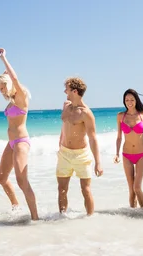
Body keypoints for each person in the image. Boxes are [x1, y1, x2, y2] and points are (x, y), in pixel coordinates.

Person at [0, 48, 38, 220]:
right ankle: (16, 207)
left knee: (22, 181)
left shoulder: (21, 97)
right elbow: (9, 80)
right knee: (1, 178)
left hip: (21, 142)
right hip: (11, 143)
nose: (2, 90)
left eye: (3, 86)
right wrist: (3, 76)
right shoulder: (12, 101)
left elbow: (14, 78)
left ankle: (35, 217)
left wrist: (4, 59)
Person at [57, 77, 103, 215]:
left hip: (81, 155)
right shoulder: (66, 105)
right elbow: (64, 126)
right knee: (62, 189)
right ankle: (62, 218)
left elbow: (93, 138)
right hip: (64, 153)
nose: (65, 91)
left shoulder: (86, 113)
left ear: (75, 91)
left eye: (67, 89)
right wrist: (60, 144)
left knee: (86, 190)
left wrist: (98, 163)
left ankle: (90, 219)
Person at [113, 89, 143, 208]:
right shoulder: (120, 116)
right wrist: (117, 153)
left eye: (132, 100)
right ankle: (133, 217)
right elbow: (119, 137)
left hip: (141, 155)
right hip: (126, 155)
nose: (129, 102)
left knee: (137, 187)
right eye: (127, 100)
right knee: (131, 190)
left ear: (136, 100)